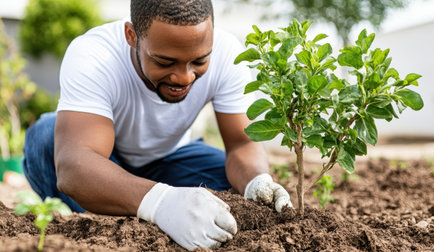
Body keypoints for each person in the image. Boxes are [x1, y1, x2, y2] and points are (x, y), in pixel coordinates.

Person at [22, 0, 293, 250]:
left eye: (199, 61)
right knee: (46, 140)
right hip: (106, 161)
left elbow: (242, 143)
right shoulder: (94, 55)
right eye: (165, 61)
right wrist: (161, 202)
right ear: (132, 36)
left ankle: (149, 210)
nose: (184, 77)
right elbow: (74, 165)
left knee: (235, 189)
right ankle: (104, 226)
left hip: (169, 160)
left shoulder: (228, 53)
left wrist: (256, 181)